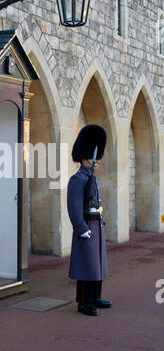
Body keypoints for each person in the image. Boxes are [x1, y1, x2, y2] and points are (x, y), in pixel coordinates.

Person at [67, 124, 112, 316]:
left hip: (96, 225)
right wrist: (81, 227)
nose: (98, 162)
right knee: (87, 265)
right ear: (86, 159)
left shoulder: (91, 177)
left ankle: (94, 297)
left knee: (97, 265)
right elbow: (74, 207)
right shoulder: (78, 179)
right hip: (86, 227)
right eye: (96, 158)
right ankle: (84, 302)